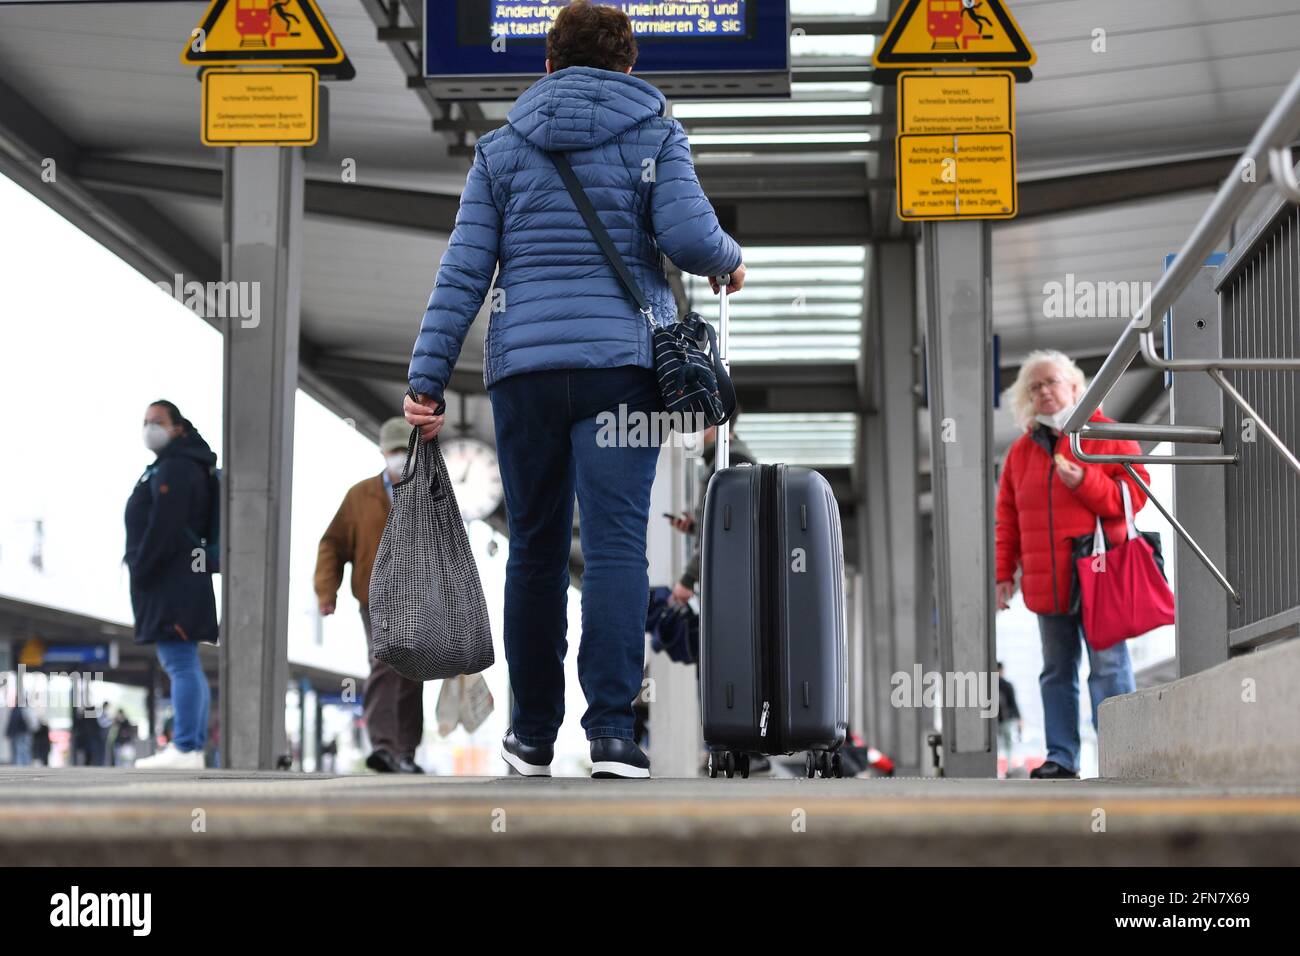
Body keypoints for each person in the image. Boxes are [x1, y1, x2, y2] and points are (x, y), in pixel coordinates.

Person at [405, 0, 745, 779]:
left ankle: (529, 736)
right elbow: (692, 238)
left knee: (535, 548)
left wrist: (426, 378)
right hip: (621, 371)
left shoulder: (501, 150)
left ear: (548, 65)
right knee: (617, 546)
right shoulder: (656, 129)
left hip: (524, 375)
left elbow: (463, 272)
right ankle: (614, 736)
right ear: (629, 66)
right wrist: (729, 257)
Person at [994, 351, 1147, 779]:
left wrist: (1087, 482)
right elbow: (1007, 518)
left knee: (1109, 667)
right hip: (1049, 584)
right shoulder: (1020, 453)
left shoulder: (1108, 435)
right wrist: (1003, 573)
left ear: (1076, 386)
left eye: (1052, 381)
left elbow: (1133, 499)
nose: (1044, 390)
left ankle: (1124, 758)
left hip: (1101, 575)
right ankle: (1062, 758)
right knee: (1056, 672)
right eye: (1035, 386)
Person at [315, 417, 426, 775]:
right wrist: (326, 590)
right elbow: (332, 543)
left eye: (403, 451)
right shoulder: (360, 496)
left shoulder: (429, 490)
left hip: (418, 598)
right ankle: (383, 747)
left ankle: (406, 750)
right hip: (374, 597)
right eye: (392, 451)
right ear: (381, 452)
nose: (398, 457)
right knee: (383, 662)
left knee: (411, 673)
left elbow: (448, 548)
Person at [127, 400, 217, 770]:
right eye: (146, 421)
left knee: (179, 661)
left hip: (172, 578)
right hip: (181, 576)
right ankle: (190, 747)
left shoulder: (177, 468)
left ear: (178, 427)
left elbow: (164, 525)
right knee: (184, 661)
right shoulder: (178, 464)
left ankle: (185, 747)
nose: (150, 428)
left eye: (158, 421)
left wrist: (141, 567)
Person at [667, 413, 756, 606]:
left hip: (730, 581)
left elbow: (725, 531)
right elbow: (728, 523)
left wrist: (688, 579)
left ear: (714, 423)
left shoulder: (730, 463)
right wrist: (696, 527)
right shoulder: (723, 459)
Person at [996, 661, 1022, 763]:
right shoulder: (1007, 685)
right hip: (1006, 719)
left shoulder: (988, 684)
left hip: (994, 721)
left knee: (997, 745)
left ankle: (997, 767)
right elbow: (1013, 703)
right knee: (1008, 745)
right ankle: (1008, 768)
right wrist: (1019, 718)